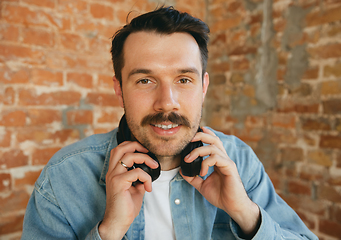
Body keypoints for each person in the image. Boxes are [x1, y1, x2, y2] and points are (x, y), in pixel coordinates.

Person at [21, 6, 318, 240]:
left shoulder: (239, 161)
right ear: (119, 89)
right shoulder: (63, 179)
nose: (167, 102)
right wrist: (108, 231)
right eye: (145, 80)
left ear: (203, 87)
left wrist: (247, 214)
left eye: (184, 79)